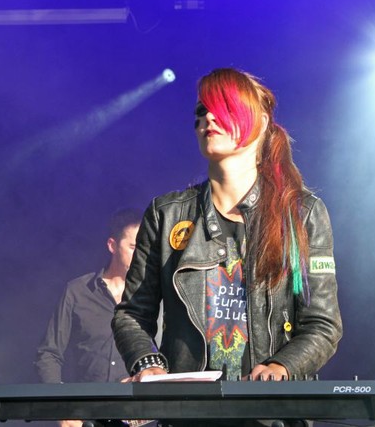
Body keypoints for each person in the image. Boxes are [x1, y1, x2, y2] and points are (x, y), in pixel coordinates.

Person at [112, 68, 342, 426]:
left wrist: (282, 366)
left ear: (260, 123)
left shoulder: (302, 214)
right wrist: (148, 364)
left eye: (222, 108)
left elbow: (322, 323)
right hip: (187, 417)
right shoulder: (166, 215)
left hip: (271, 418)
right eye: (201, 111)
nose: (208, 118)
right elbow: (131, 315)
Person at [35, 208, 142, 427]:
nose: (141, 254)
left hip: (139, 416)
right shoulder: (77, 291)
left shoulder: (152, 296)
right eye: (133, 247)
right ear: (112, 245)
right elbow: (48, 353)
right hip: (87, 415)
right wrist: (61, 409)